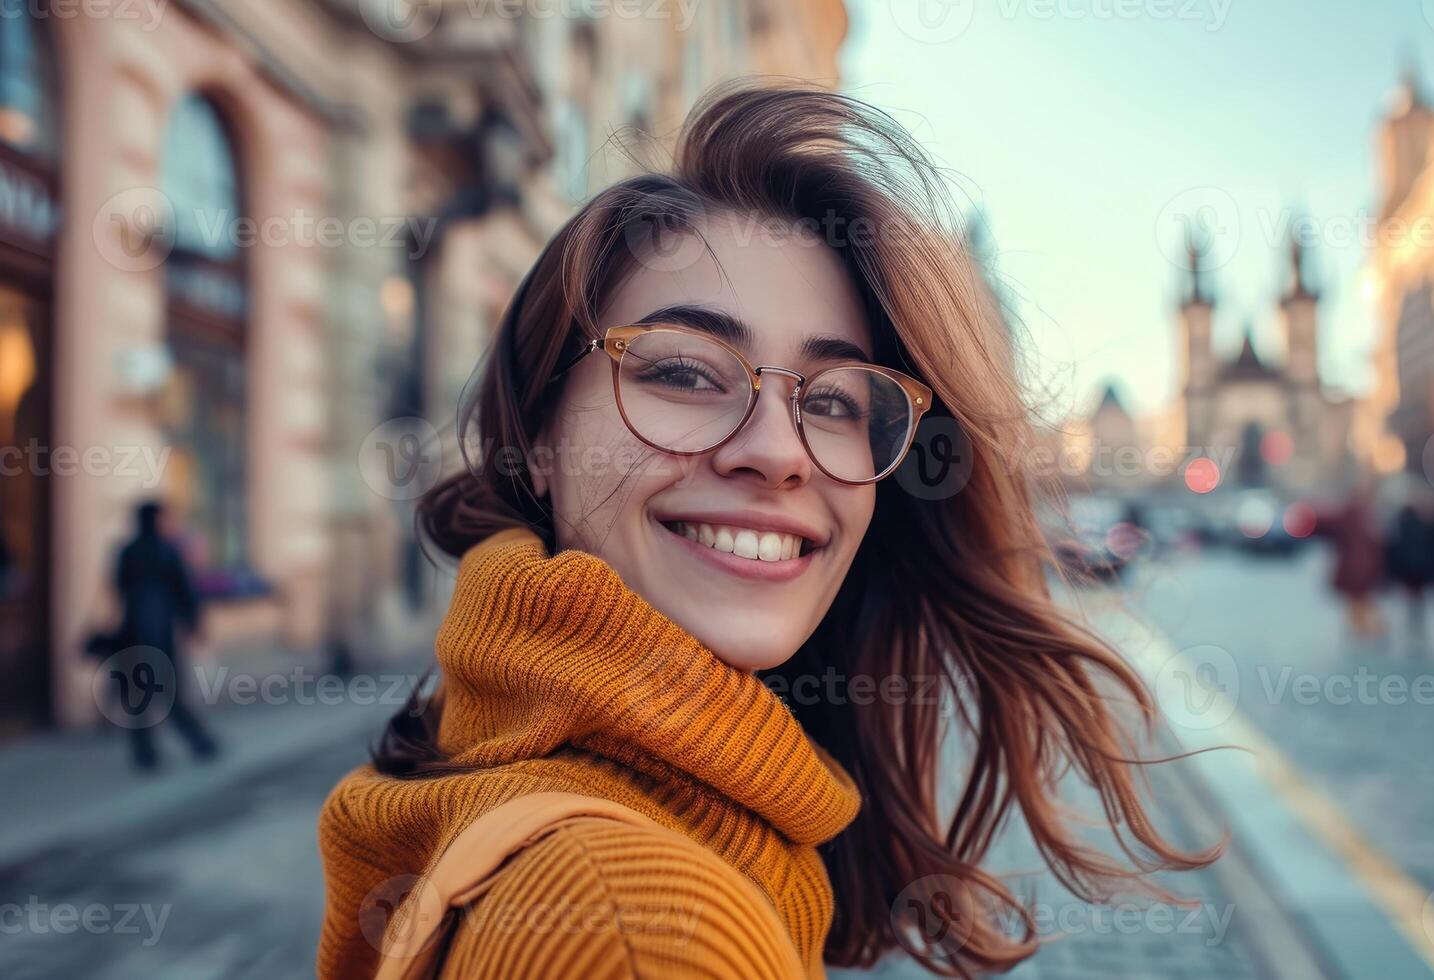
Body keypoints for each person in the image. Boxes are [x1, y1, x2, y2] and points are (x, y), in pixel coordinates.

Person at [317, 83, 1216, 979]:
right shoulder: (643, 932)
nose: (780, 453)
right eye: (685, 373)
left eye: (832, 399)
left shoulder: (479, 739)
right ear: (541, 440)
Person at [113, 500, 217, 769]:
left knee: (140, 696)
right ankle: (197, 741)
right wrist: (193, 622)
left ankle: (147, 752)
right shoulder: (165, 551)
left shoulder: (130, 551)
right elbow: (183, 590)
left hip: (134, 631)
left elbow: (119, 587)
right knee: (167, 692)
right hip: (158, 633)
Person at [1317, 487, 1386, 639]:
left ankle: (1367, 629)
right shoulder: (1367, 517)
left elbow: (1326, 526)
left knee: (1358, 601)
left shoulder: (1353, 515)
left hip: (1356, 569)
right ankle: (1367, 629)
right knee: (1359, 601)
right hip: (1364, 569)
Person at [1384, 502, 1434, 647]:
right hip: (1420, 570)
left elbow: (1394, 551)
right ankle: (1418, 629)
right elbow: (1430, 550)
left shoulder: (1400, 528)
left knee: (1409, 602)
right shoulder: (1424, 526)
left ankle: (1409, 630)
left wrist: (1394, 572)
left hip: (1407, 571)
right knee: (1419, 602)